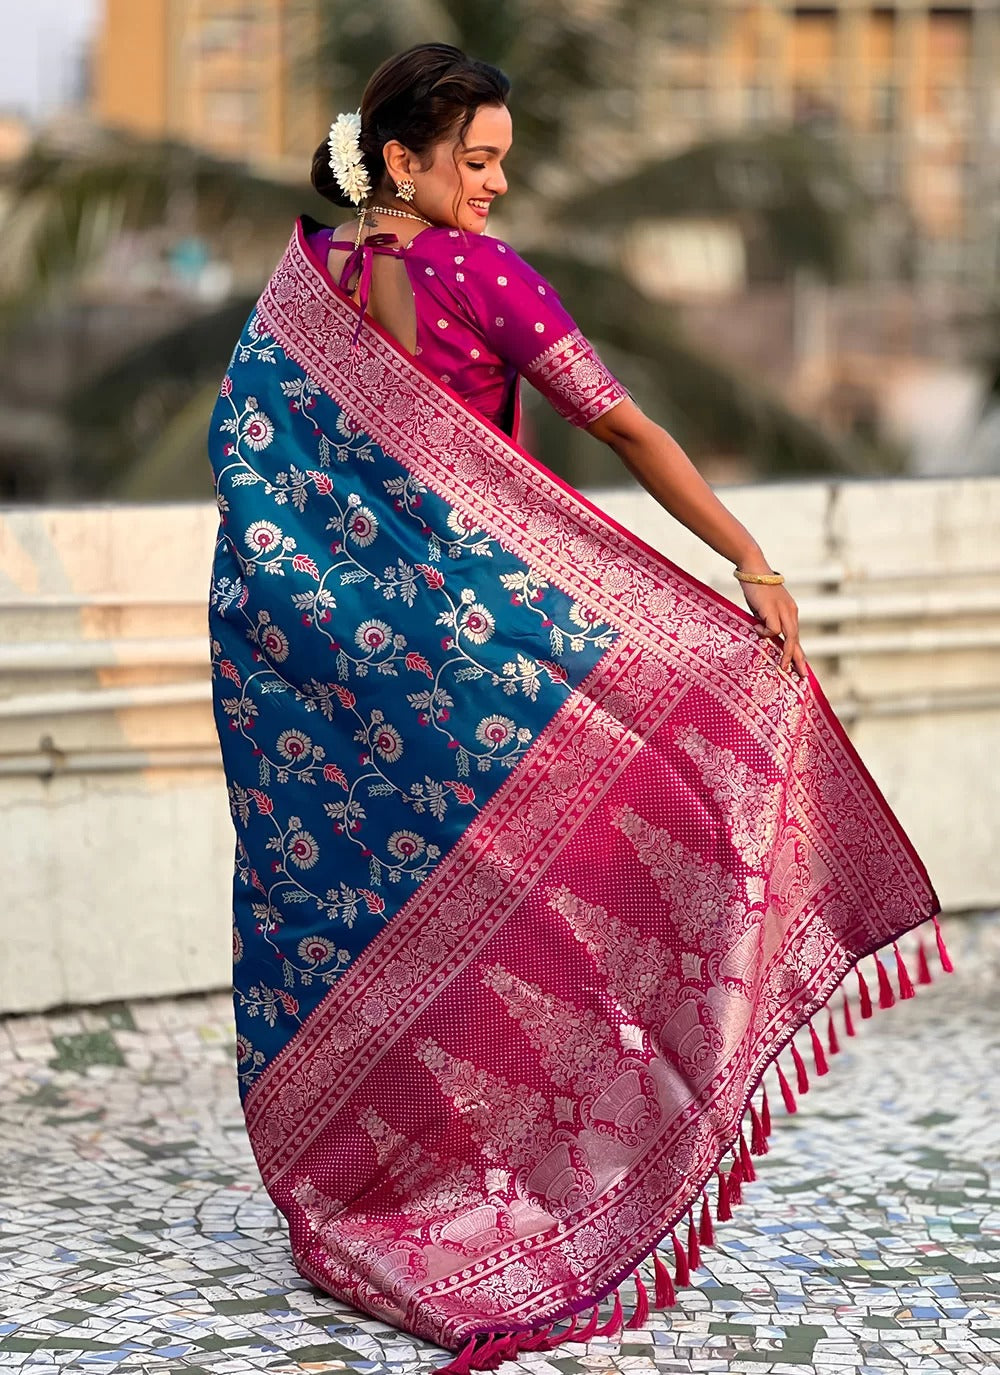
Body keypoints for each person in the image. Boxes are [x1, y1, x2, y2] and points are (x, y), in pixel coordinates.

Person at [208, 42, 943, 1374]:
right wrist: (748, 562)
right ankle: (519, 1186)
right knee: (551, 896)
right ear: (399, 163)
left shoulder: (299, 291)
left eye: (500, 159)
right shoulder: (477, 275)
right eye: (473, 160)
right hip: (486, 684)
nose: (496, 182)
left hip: (348, 690)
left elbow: (246, 469)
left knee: (384, 916)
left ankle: (381, 1189)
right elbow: (625, 431)